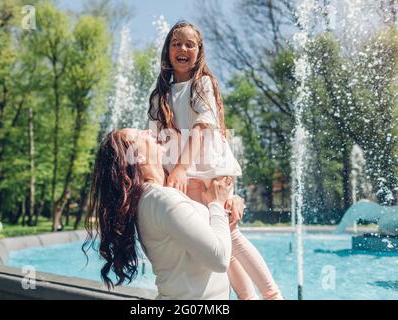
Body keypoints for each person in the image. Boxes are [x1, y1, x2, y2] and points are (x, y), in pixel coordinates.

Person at [147, 21, 283, 300]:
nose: (182, 48)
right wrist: (164, 175)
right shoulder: (159, 95)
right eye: (176, 43)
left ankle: (272, 295)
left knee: (230, 235)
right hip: (181, 176)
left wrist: (182, 168)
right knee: (218, 241)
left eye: (189, 44)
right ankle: (248, 298)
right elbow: (156, 143)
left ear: (199, 51)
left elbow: (202, 128)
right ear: (167, 50)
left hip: (210, 171)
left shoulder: (203, 84)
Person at [85, 128, 244, 299]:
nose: (147, 131)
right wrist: (217, 204)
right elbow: (219, 259)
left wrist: (226, 202)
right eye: (140, 134)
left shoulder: (153, 199)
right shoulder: (161, 199)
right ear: (138, 156)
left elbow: (203, 232)